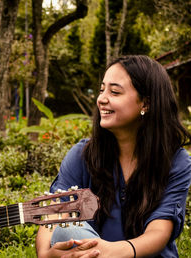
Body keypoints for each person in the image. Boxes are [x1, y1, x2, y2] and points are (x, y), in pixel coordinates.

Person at [36, 55, 191, 258]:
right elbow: (54, 218)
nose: (101, 99)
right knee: (68, 231)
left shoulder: (175, 161)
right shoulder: (82, 156)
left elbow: (158, 233)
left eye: (115, 91)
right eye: (102, 90)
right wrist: (46, 255)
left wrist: (111, 252)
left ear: (146, 103)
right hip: (89, 251)